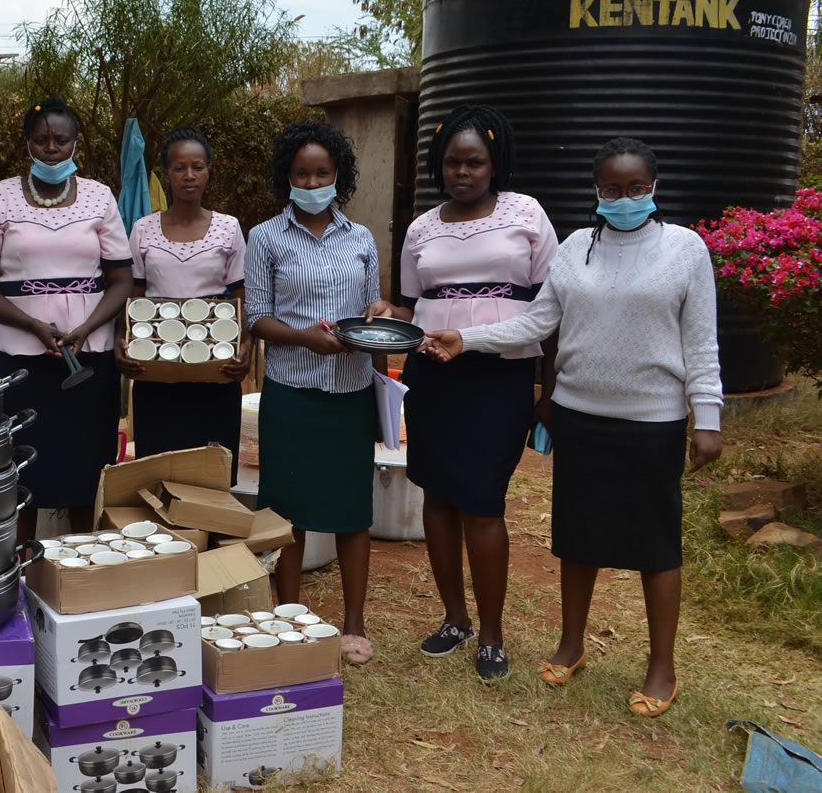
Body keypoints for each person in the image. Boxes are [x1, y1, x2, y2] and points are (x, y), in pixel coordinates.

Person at [423, 137, 722, 715]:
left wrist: (705, 417)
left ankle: (662, 668)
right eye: (612, 188)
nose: (624, 197)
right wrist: (468, 340)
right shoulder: (577, 247)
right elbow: (537, 321)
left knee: (655, 545)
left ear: (653, 188)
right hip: (579, 417)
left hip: (652, 419)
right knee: (577, 538)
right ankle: (570, 645)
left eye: (636, 188)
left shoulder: (685, 250)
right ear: (597, 190)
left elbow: (701, 342)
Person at [369, 105, 558, 681]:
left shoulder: (526, 213)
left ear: (495, 162)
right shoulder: (423, 227)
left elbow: (553, 307)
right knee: (437, 497)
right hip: (433, 375)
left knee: (481, 501)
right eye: (452, 161)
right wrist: (387, 311)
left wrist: (547, 390)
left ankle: (494, 635)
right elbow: (408, 304)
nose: (463, 172)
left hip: (498, 378)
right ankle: (456, 619)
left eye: (474, 161)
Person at [244, 121, 391, 665]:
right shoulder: (265, 237)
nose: (312, 181)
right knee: (289, 513)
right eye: (302, 172)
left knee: (353, 512)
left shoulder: (360, 239)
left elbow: (374, 313)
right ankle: (290, 617)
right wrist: (303, 338)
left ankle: (353, 623)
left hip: (351, 392)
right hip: (292, 392)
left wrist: (379, 318)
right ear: (287, 176)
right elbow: (256, 315)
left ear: (339, 177)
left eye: (322, 172)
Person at [0, 98, 134, 542]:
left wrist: (87, 327)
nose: (52, 148)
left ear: (75, 142)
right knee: (19, 473)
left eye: (61, 139)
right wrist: (34, 326)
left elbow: (120, 278)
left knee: (85, 471)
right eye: (42, 140)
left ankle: (80, 572)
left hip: (87, 358)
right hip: (18, 358)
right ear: (28, 144)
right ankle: (20, 578)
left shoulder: (99, 196)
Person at [115, 127, 251, 481]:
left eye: (197, 166)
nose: (189, 175)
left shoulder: (229, 228)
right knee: (158, 475)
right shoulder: (143, 230)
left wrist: (246, 346)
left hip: (215, 369)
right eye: (179, 167)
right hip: (158, 371)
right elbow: (133, 297)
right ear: (166, 175)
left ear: (208, 172)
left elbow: (241, 298)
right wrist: (123, 339)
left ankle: (211, 536)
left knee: (213, 478)